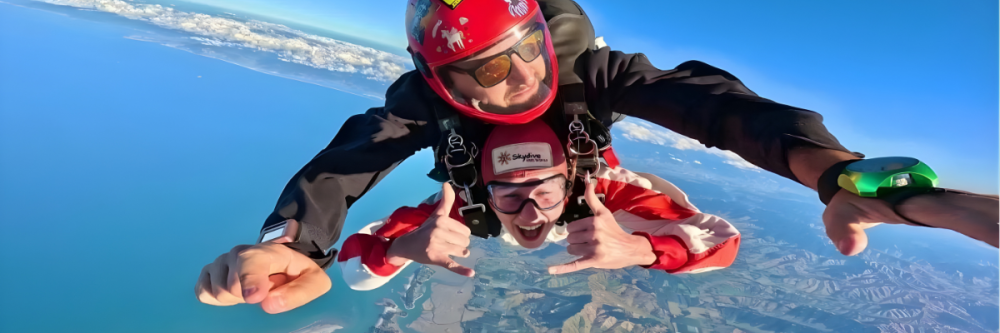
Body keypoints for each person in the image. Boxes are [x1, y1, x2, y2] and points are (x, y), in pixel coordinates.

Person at [195, 0, 999, 314]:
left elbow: (713, 108)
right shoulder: (450, 182)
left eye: (522, 60)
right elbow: (354, 158)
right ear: (448, 84)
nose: (514, 87)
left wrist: (834, 170)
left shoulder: (596, 120)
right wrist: (294, 243)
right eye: (485, 76)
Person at [337, 120, 740, 290]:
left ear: (569, 183)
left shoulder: (602, 189)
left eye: (544, 192)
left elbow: (723, 240)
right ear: (485, 190)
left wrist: (639, 248)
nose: (530, 214)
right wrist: (401, 248)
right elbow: (356, 270)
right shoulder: (463, 202)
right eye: (511, 194)